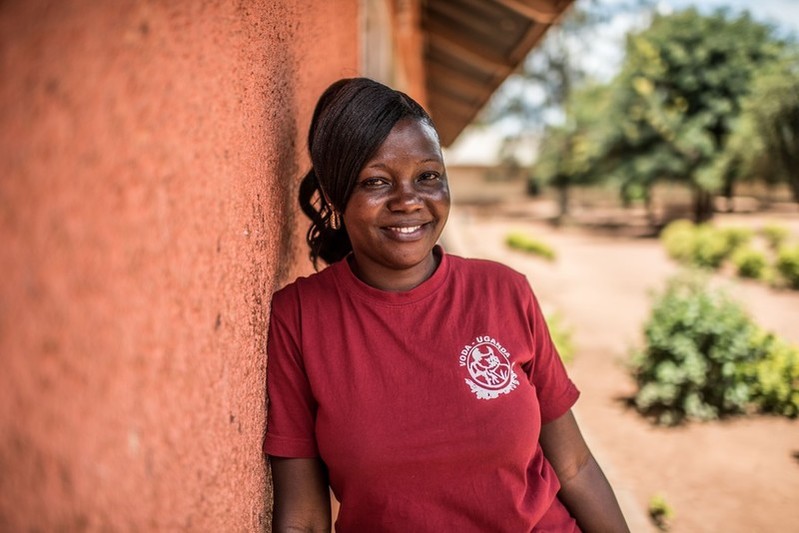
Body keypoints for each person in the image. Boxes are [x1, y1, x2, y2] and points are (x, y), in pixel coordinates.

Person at [264, 77, 630, 532]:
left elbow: (575, 467)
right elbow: (304, 519)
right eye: (377, 181)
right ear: (338, 196)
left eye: (428, 176)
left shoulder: (504, 291)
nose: (409, 201)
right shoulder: (300, 317)